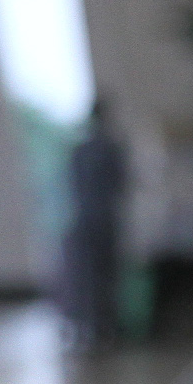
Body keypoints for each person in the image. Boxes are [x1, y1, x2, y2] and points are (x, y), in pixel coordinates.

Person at [62, 96, 130, 351]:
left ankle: (90, 325)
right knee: (101, 276)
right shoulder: (110, 149)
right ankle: (101, 325)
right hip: (103, 220)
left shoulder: (81, 150)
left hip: (87, 219)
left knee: (89, 276)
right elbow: (120, 184)